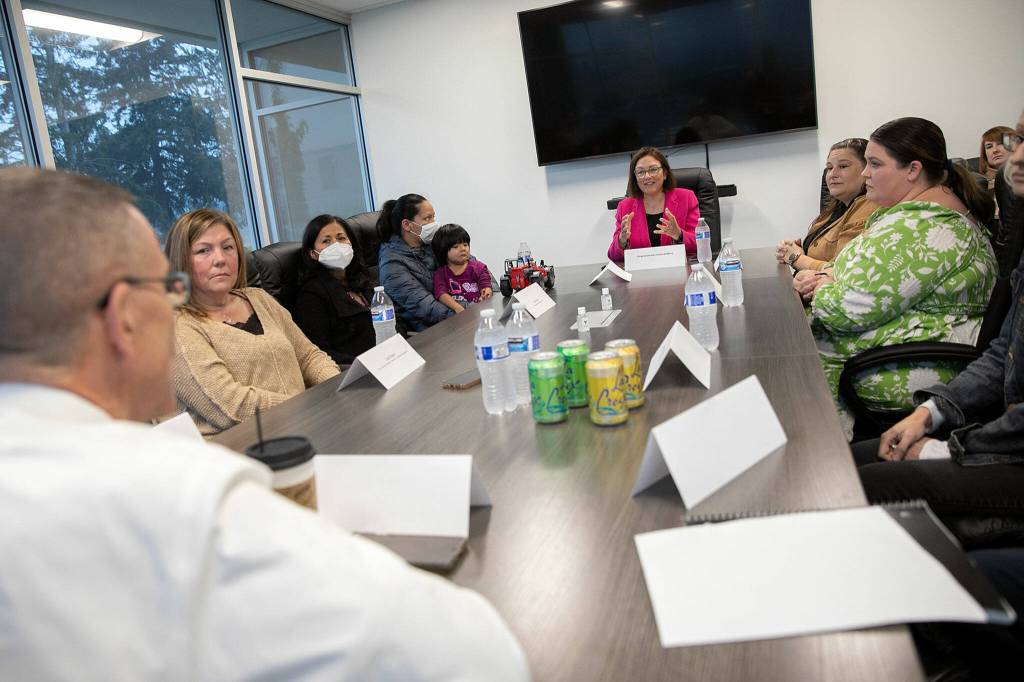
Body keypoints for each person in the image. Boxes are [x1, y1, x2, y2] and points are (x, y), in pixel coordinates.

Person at [0, 168, 529, 680]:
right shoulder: (175, 499)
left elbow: (311, 356)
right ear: (123, 318)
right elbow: (472, 655)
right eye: (164, 290)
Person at [798, 117, 996, 427]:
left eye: (875, 164)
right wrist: (830, 276)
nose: (865, 172)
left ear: (913, 170)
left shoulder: (927, 228)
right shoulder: (912, 217)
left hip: (902, 366)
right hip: (889, 347)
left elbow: (845, 310)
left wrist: (823, 287)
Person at [166, 208, 340, 435]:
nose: (220, 259)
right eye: (203, 251)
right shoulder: (176, 327)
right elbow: (230, 407)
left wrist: (337, 390)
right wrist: (310, 407)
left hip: (303, 428)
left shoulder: (258, 298)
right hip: (240, 453)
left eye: (228, 247)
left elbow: (308, 356)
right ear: (182, 261)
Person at [775, 138, 878, 272]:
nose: (832, 174)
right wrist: (793, 250)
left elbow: (842, 271)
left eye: (843, 166)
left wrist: (795, 257)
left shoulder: (869, 206)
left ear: (866, 170)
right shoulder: (836, 206)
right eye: (829, 168)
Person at [294, 214, 376, 365]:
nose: (336, 245)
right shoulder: (311, 295)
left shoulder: (361, 279)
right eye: (326, 241)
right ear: (313, 253)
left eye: (341, 238)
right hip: (354, 371)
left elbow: (391, 317)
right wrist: (364, 364)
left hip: (389, 359)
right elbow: (319, 352)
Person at [377, 193, 454, 331]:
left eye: (433, 217)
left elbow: (471, 265)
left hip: (458, 318)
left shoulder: (432, 243)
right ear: (407, 225)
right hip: (433, 333)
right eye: (427, 218)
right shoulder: (392, 266)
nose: (434, 224)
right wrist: (467, 312)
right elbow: (428, 309)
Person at [607, 146, 699, 262]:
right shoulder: (625, 206)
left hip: (680, 273)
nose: (647, 176)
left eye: (653, 169)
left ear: (665, 173)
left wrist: (679, 234)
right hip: (640, 275)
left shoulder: (686, 198)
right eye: (641, 172)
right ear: (635, 177)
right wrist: (621, 240)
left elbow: (700, 244)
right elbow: (613, 256)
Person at [431, 223, 493, 314]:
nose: (463, 249)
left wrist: (486, 293)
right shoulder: (441, 274)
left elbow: (486, 285)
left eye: (465, 244)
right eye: (456, 246)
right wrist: (457, 308)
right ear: (443, 251)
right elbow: (441, 294)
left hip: (480, 312)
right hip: (457, 317)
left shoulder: (478, 267)